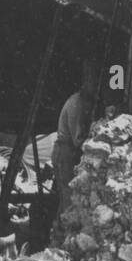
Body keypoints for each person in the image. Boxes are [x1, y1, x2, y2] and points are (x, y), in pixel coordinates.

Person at [53, 58, 99, 214]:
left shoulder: (87, 103)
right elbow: (78, 140)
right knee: (68, 198)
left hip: (71, 153)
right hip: (65, 153)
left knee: (71, 198)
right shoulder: (76, 103)